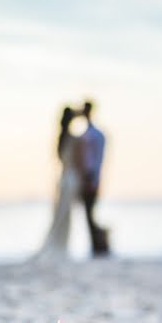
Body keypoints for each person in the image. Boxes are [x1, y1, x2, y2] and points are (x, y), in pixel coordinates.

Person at [36, 107, 82, 258]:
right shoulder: (73, 139)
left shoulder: (61, 138)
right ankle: (62, 246)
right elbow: (78, 161)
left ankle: (61, 244)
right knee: (65, 215)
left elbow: (59, 159)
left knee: (60, 214)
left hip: (63, 177)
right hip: (70, 178)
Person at [78, 101, 110, 255]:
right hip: (90, 177)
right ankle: (98, 243)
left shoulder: (94, 135)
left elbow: (94, 160)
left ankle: (100, 243)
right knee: (89, 213)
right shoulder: (94, 134)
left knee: (90, 213)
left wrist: (90, 179)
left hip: (90, 178)